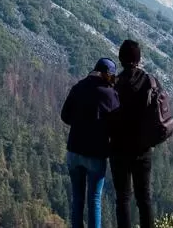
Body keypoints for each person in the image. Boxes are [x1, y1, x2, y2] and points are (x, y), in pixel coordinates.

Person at [61, 57, 120, 228]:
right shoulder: (110, 94)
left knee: (77, 198)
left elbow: (65, 116)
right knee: (94, 199)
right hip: (95, 153)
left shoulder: (78, 87)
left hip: (74, 150)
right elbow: (117, 126)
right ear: (108, 74)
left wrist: (79, 123)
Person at [109, 39, 158, 228]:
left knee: (122, 198)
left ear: (120, 58)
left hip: (118, 148)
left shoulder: (115, 84)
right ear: (139, 59)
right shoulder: (149, 81)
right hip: (142, 148)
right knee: (144, 198)